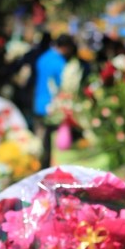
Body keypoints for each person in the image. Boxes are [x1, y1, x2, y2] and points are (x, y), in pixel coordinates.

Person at [33, 34, 72, 167]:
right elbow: (64, 85)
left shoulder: (42, 58)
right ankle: (49, 167)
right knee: (52, 142)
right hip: (53, 107)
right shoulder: (60, 63)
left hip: (39, 103)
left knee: (41, 139)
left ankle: (38, 165)